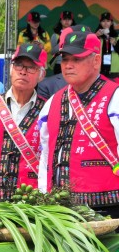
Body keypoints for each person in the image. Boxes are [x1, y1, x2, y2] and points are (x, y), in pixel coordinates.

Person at [38, 26, 119, 218]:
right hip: (61, 211)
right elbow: (45, 156)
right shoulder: (52, 102)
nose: (68, 65)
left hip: (108, 209)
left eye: (77, 59)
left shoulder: (114, 97)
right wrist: (42, 197)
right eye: (65, 59)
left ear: (96, 60)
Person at [0, 43, 47, 202]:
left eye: (31, 68)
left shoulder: (47, 110)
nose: (23, 71)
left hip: (32, 202)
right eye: (18, 65)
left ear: (41, 75)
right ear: (10, 69)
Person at [95, 12, 117, 76]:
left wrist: (115, 44)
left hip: (114, 71)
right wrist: (95, 36)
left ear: (111, 22)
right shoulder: (96, 35)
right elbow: (89, 50)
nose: (106, 23)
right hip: (99, 70)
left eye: (108, 21)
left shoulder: (116, 36)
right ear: (100, 23)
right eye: (103, 21)